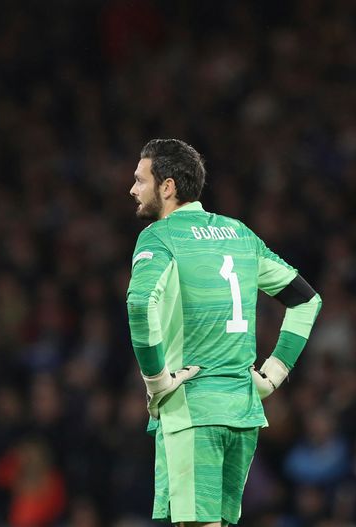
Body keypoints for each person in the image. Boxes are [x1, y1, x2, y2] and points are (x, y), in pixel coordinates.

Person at [126, 139, 322, 526]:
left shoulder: (160, 238)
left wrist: (155, 380)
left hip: (193, 407)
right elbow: (306, 300)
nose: (133, 189)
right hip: (242, 412)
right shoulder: (240, 235)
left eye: (140, 179)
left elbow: (138, 304)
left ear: (167, 187)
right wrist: (273, 374)